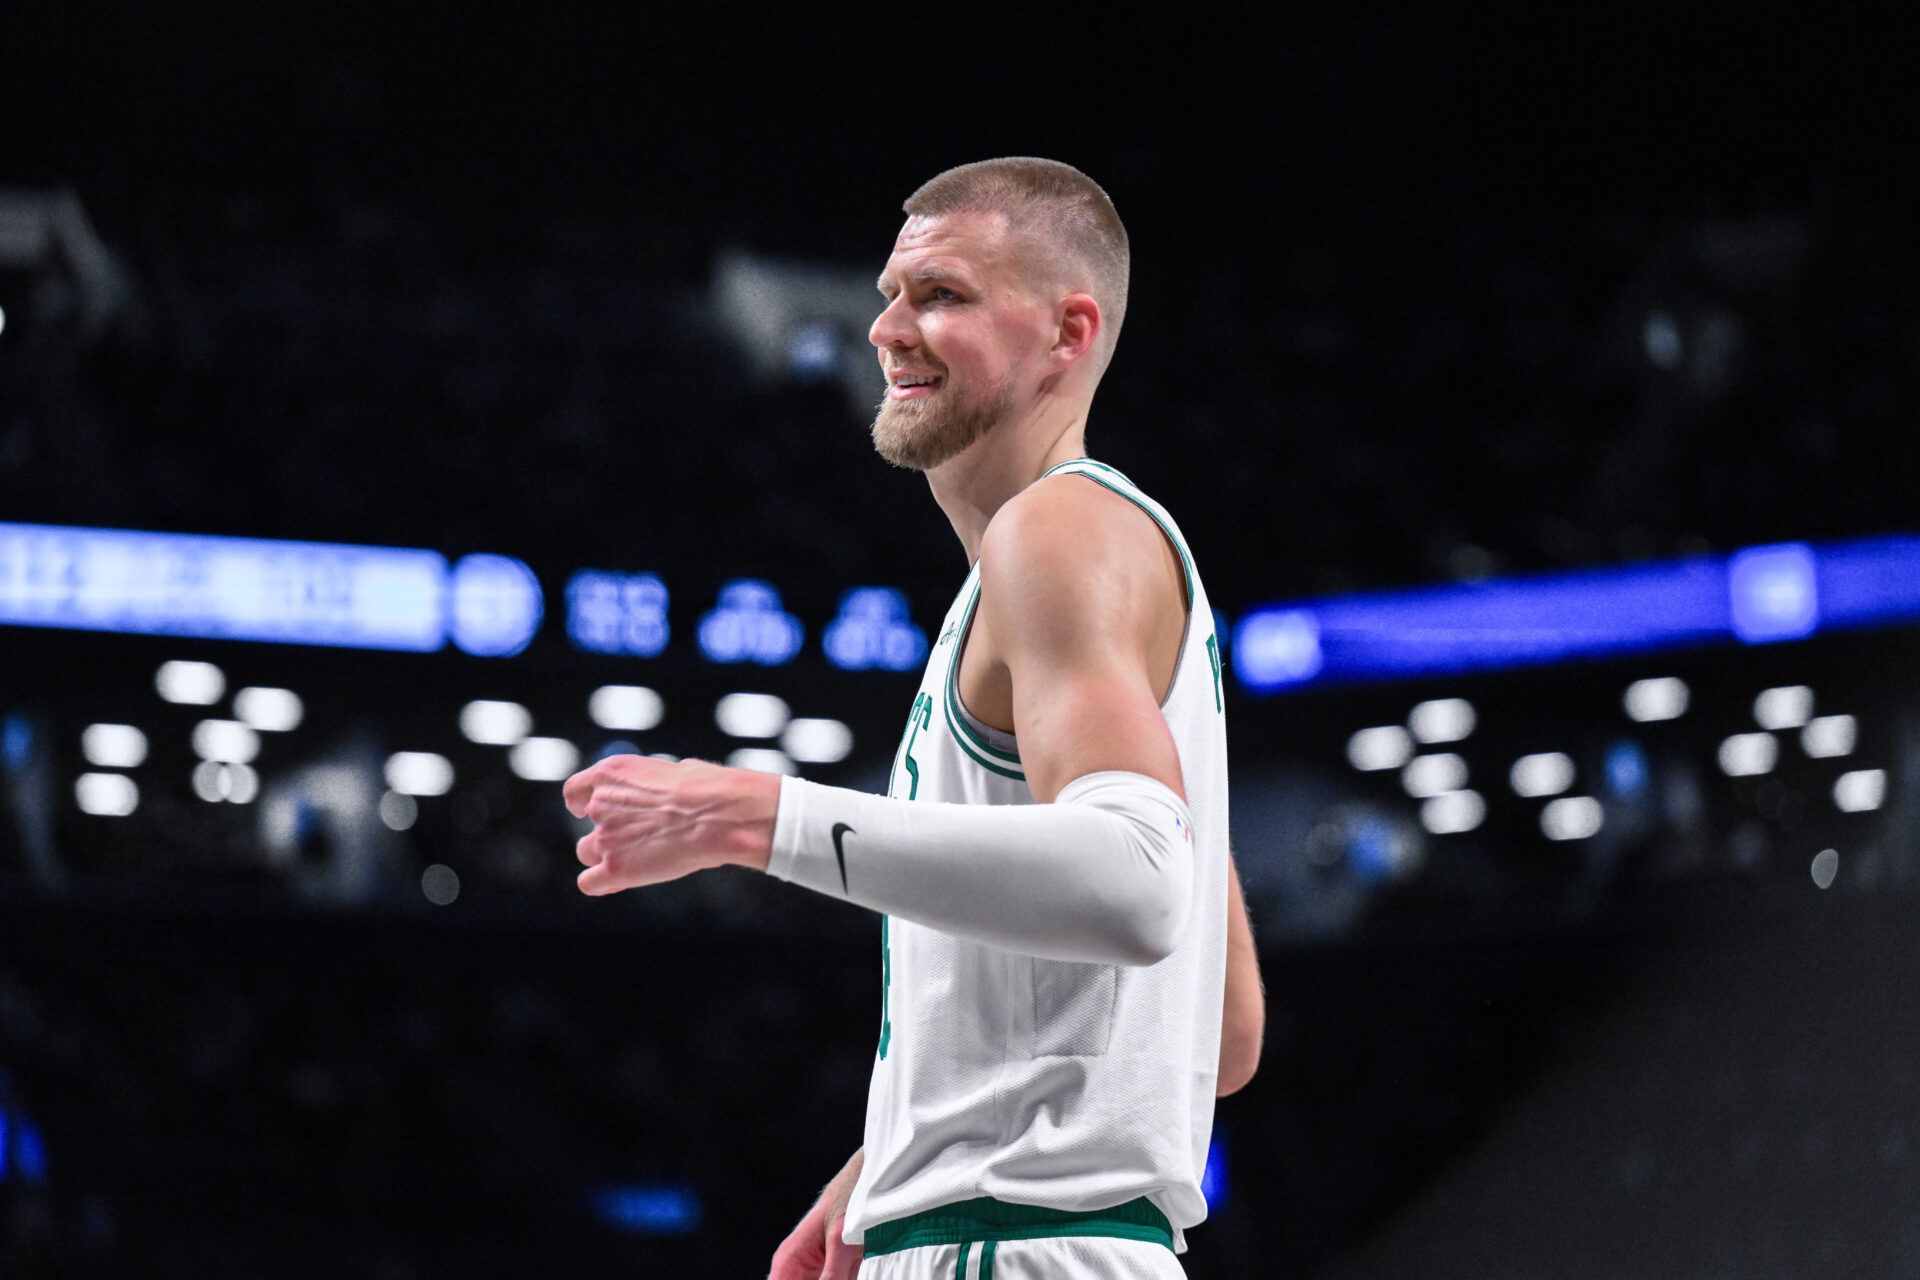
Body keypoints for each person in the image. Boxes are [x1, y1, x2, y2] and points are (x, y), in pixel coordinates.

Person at [563, 157, 1265, 1279]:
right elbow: (1218, 1034)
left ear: (1066, 334)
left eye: (941, 295)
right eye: (891, 293)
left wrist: (757, 814)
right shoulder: (1081, 567)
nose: (887, 328)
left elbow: (1135, 885)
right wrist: (894, 1156)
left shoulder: (1058, 534)